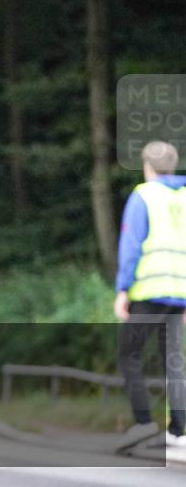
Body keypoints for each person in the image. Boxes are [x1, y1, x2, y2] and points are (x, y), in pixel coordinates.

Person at [114, 141, 186, 449]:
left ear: (147, 166)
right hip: (179, 293)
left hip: (149, 290)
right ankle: (179, 432)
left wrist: (122, 289)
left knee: (129, 353)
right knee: (173, 358)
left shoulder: (143, 195)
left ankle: (143, 422)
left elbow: (131, 246)